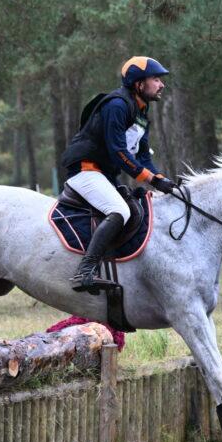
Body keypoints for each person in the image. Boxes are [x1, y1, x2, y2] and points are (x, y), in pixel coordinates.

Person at [60, 56, 178, 293]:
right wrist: (150, 179)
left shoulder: (141, 113)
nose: (161, 84)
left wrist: (161, 179)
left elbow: (143, 157)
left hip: (103, 175)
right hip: (86, 169)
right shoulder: (117, 105)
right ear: (138, 83)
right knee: (119, 211)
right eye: (155, 79)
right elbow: (118, 152)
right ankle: (85, 271)